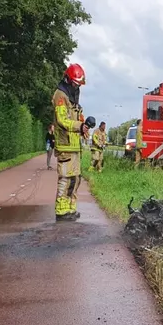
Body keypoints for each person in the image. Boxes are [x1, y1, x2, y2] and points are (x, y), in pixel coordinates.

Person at [52, 63, 89, 221]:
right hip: (65, 144)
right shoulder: (60, 96)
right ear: (68, 79)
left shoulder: (73, 96)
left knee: (76, 179)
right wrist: (79, 126)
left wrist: (84, 125)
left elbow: (76, 117)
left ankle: (70, 209)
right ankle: (61, 211)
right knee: (66, 179)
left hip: (74, 145)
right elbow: (62, 120)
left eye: (79, 84)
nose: (77, 87)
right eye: (75, 83)